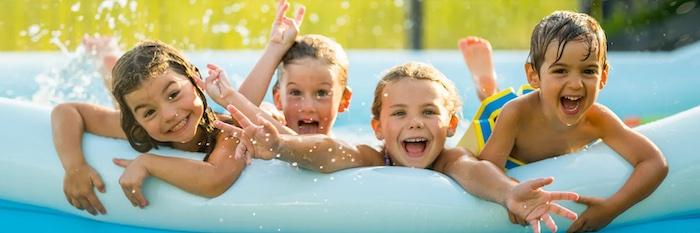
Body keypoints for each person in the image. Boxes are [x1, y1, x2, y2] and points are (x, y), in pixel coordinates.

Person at [217, 62, 580, 233]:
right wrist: (282, 145)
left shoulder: (449, 159)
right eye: (399, 113)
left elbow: (476, 170)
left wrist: (509, 193)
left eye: (428, 112)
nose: (415, 123)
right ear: (378, 127)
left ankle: (488, 87)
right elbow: (330, 151)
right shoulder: (372, 156)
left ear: (451, 124)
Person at [458, 11, 668, 232]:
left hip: (545, 98)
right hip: (496, 125)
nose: (576, 84)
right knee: (492, 110)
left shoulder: (598, 119)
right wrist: (511, 194)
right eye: (560, 70)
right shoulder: (516, 115)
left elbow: (655, 162)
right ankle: (486, 85)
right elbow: (488, 170)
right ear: (533, 76)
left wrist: (611, 208)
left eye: (588, 71)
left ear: (603, 77)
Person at [238, 33, 351, 136]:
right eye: (295, 92)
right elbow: (238, 116)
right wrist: (274, 50)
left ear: (343, 100)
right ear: (278, 99)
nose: (308, 107)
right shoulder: (270, 135)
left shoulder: (347, 154)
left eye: (321, 93)